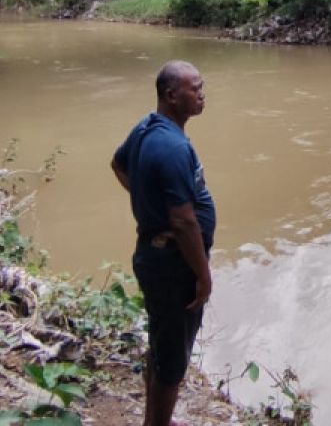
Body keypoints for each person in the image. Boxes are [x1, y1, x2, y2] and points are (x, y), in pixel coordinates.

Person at [111, 61, 215, 426]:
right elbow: (185, 223)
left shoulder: (146, 127)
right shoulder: (170, 146)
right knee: (171, 360)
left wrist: (149, 206)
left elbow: (118, 164)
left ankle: (155, 420)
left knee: (161, 345)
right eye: (195, 88)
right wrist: (203, 276)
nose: (203, 93)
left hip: (157, 256)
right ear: (172, 95)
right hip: (174, 267)